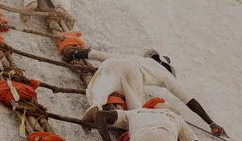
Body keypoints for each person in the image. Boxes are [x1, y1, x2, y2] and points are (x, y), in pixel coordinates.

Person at [76, 50, 226, 136]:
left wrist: (76, 53)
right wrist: (211, 123)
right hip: (134, 71)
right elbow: (188, 99)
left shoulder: (137, 58)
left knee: (95, 92)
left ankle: (95, 107)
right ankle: (128, 130)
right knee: (137, 115)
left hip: (112, 64)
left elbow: (99, 54)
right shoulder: (165, 74)